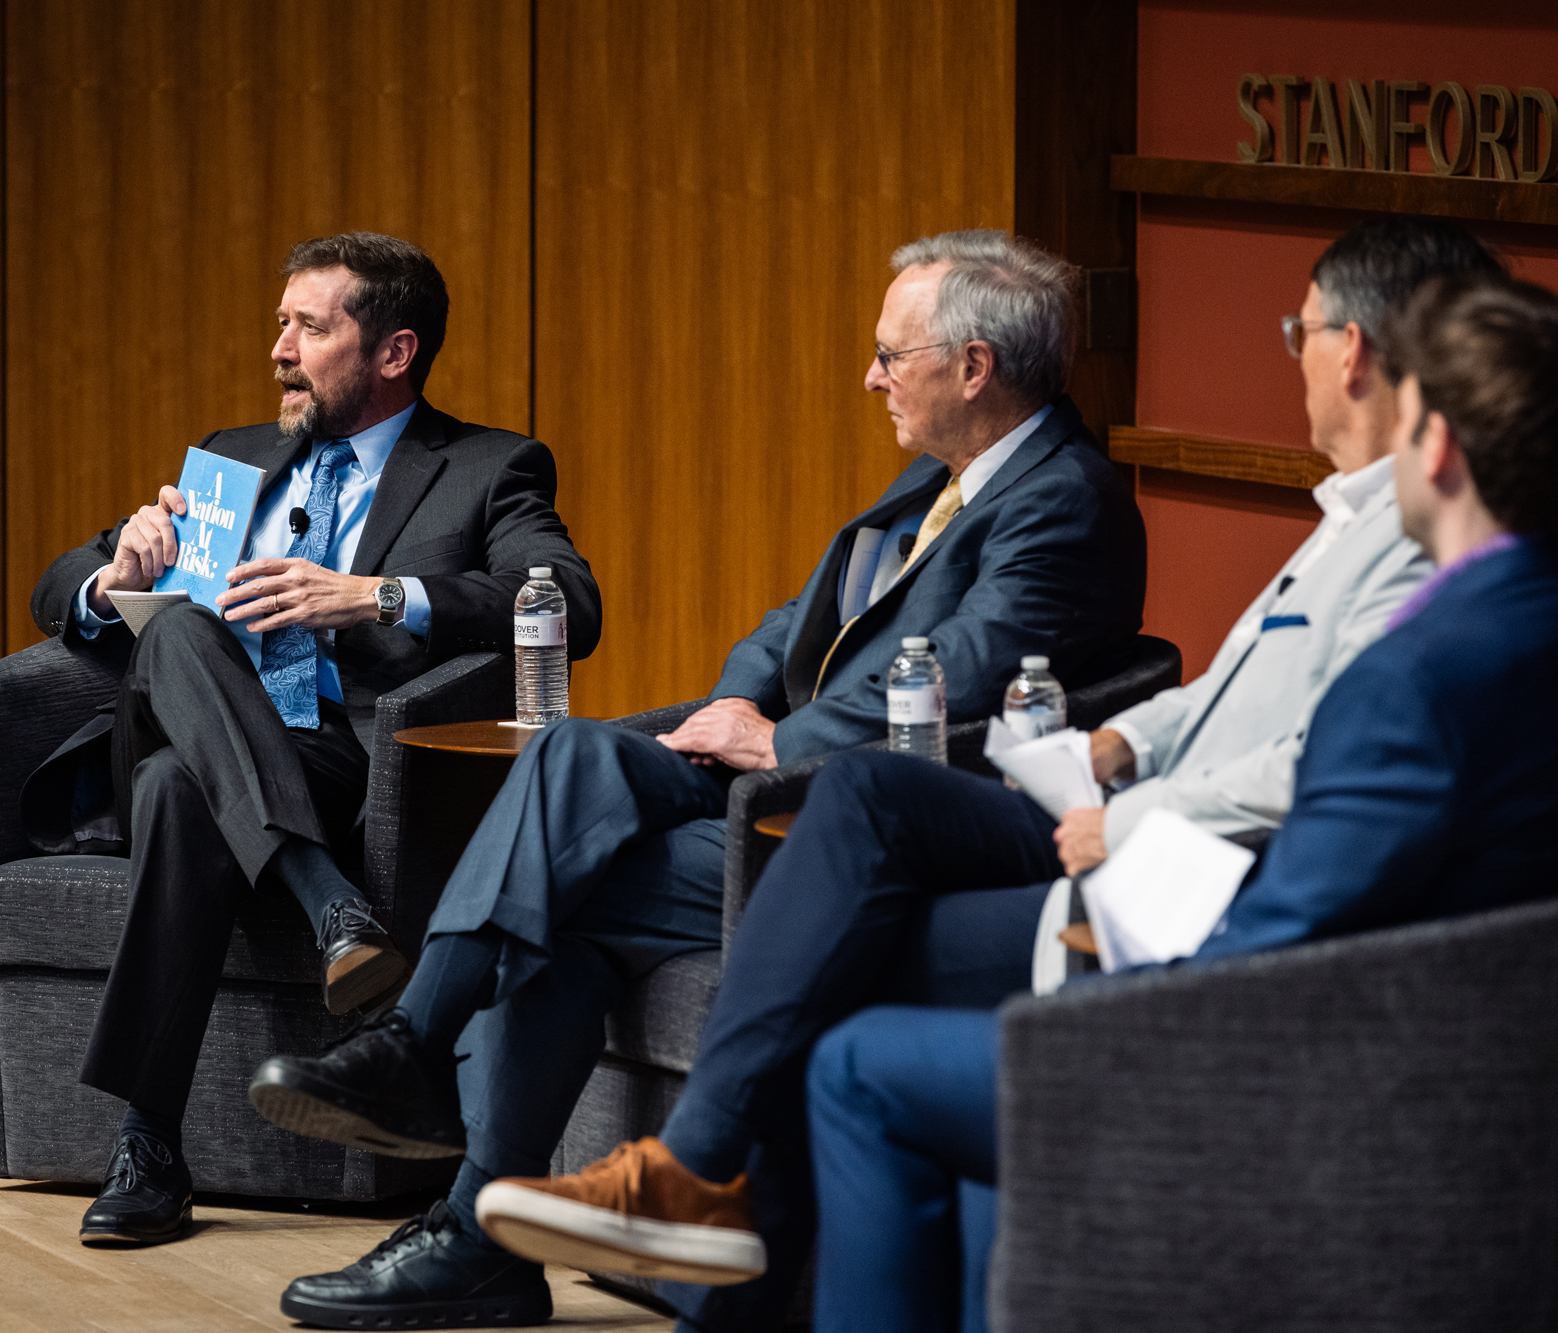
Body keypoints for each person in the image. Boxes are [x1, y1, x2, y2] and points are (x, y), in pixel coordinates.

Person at [465, 216, 1497, 1330]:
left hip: (1192, 876)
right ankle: (665, 1192)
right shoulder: (1346, 516)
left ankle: (682, 1176)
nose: (1287, 350)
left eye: (1294, 328)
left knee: (830, 905)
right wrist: (1125, 740)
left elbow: (1334, 757)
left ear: (1348, 351)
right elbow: (1232, 695)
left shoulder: (1413, 543)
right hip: (1139, 820)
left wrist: (1136, 807)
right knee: (788, 859)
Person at [246, 229, 1149, 1330]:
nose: (868, 376)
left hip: (862, 818)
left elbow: (962, 670)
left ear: (972, 367)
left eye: (887, 354)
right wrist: (742, 707)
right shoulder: (937, 478)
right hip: (782, 780)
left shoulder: (1067, 498)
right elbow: (785, 629)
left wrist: (783, 739)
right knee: (571, 755)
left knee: (559, 901)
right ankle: (425, 1082)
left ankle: (460, 1184)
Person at [797, 272, 1558, 1331]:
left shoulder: (1414, 677)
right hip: (1553, 1100)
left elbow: (1277, 951)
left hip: (1347, 1101)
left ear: (1441, 451)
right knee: (990, 1087)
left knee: (863, 1064)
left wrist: (1095, 962)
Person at [24, 232, 601, 1248]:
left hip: (339, 757)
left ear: (392, 352)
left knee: (173, 793)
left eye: (309, 326)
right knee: (187, 634)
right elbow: (51, 593)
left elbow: (569, 603)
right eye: (280, 323)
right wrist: (115, 571)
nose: (280, 349)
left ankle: (149, 1145)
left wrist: (374, 595)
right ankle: (331, 906)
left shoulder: (484, 466)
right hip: (196, 710)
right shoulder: (235, 454)